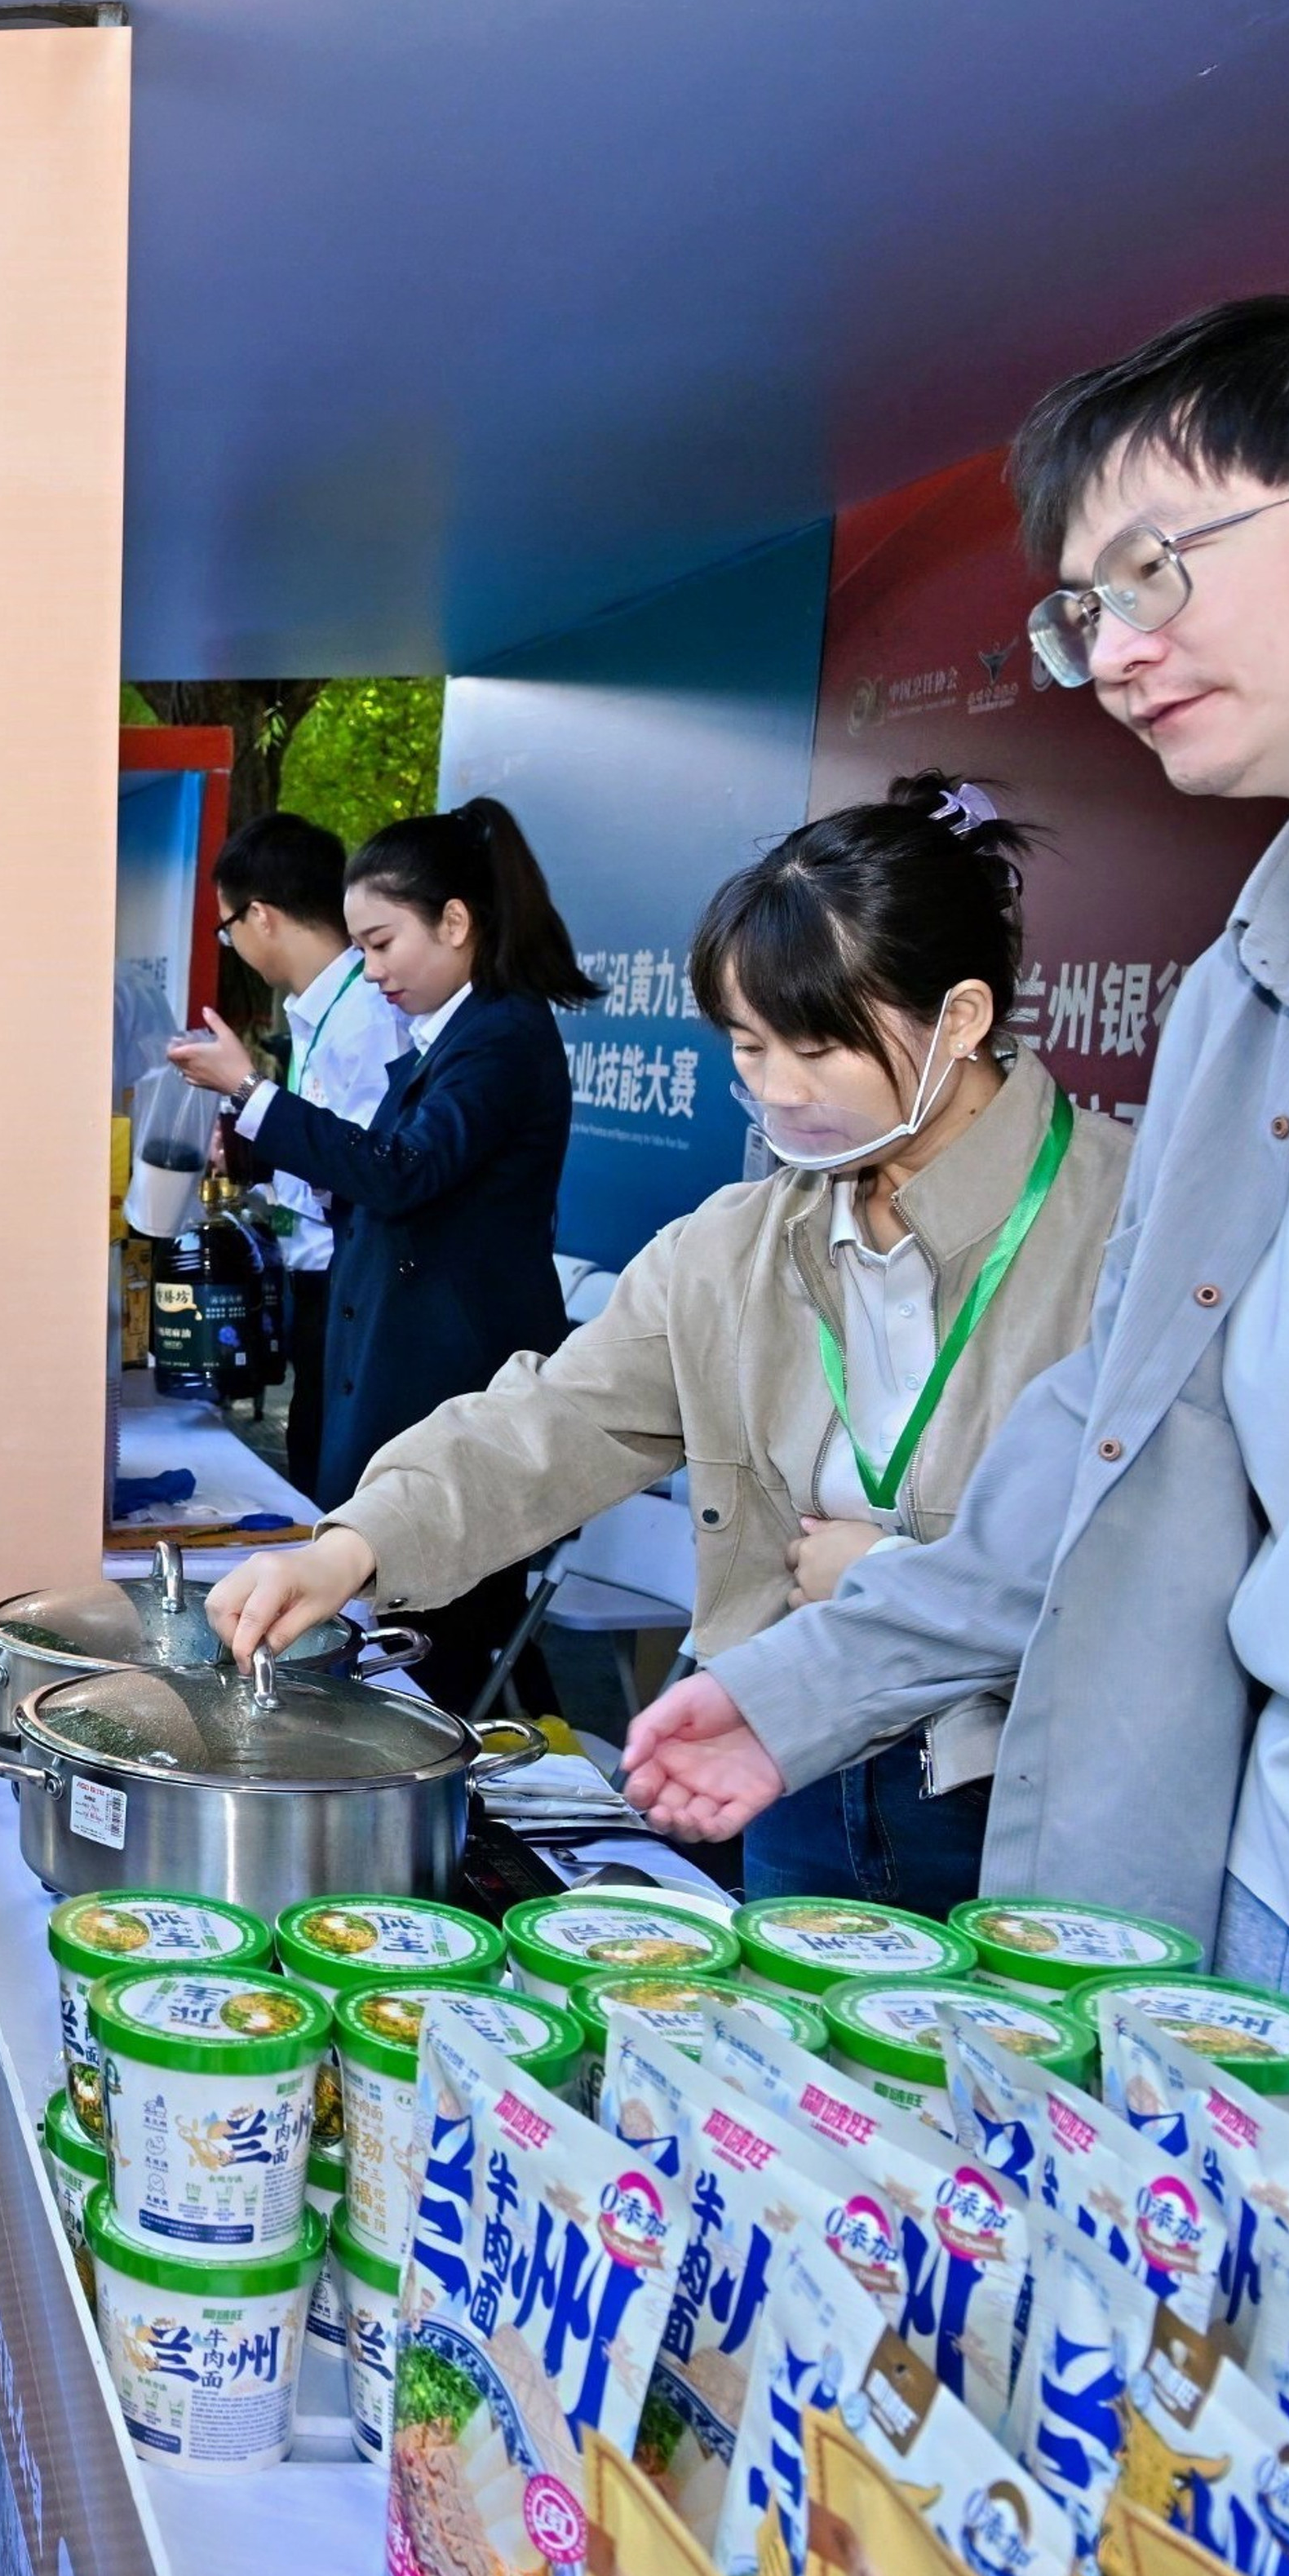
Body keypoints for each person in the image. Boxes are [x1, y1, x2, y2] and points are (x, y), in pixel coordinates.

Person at [627, 295, 1289, 2094]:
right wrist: (802, 1689)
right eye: (1079, 606)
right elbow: (1108, 1453)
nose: (1111, 650)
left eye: (1156, 569)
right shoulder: (1245, 986)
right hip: (1243, 1923)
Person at [212, 778, 1130, 1915]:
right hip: (788, 1761)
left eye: (821, 1048)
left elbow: (1153, 1557)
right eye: (749, 1048)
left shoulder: (1129, 1228)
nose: (780, 1093)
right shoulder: (739, 1245)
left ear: (963, 1018)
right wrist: (354, 1547)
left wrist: (892, 1576)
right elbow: (555, 1419)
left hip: (1036, 1794)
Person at [167, 794, 591, 1709]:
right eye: (358, 947)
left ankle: (457, 1822)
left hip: (447, 1376)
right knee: (396, 1627)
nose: (370, 969)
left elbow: (401, 1171)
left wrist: (254, 1091)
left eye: (381, 943)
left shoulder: (502, 1036)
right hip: (394, 1361)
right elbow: (370, 1177)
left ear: (454, 921)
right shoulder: (442, 1043)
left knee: (437, 1642)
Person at [202, 812, 413, 1493]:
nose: (230, 944)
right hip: (315, 1283)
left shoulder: (370, 1013)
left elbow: (369, 1162)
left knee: (338, 1481)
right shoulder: (321, 1010)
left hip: (354, 1287)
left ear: (260, 915)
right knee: (311, 1463)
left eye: (226, 927)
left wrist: (247, 1090)